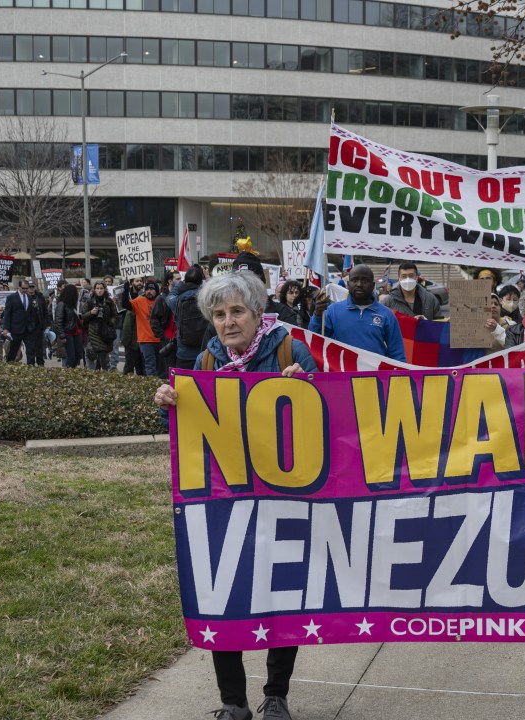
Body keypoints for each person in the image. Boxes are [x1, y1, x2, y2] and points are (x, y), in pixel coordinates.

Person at [153, 271, 316, 720]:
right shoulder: (206, 361)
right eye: (220, 314)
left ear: (258, 313)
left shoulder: (289, 350)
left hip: (286, 499)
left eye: (237, 311)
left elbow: (331, 415)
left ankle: (276, 695)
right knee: (222, 593)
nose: (228, 322)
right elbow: (191, 432)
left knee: (283, 596)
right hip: (225, 503)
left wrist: (308, 386)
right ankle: (233, 702)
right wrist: (170, 403)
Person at [309, 264, 406, 361]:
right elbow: (316, 340)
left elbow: (397, 353)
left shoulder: (387, 314)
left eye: (365, 280)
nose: (359, 284)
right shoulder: (332, 310)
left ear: (373, 285)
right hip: (341, 369)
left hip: (375, 370)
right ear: (348, 284)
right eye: (354, 280)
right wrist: (318, 316)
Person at [166, 264, 207, 371]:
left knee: (184, 381)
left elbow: (169, 297)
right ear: (201, 282)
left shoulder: (177, 300)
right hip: (204, 353)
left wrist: (179, 284)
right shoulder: (207, 299)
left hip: (184, 354)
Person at [126, 279, 161, 377]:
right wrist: (126, 291)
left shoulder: (161, 300)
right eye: (147, 289)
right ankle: (152, 384)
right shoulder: (139, 300)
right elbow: (126, 305)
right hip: (146, 339)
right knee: (150, 365)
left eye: (151, 289)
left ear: (156, 291)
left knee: (161, 366)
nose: (149, 291)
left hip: (160, 339)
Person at [81, 281, 118, 371]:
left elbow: (115, 315)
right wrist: (91, 313)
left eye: (101, 288)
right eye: (97, 288)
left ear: (105, 289)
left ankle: (98, 371)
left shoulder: (109, 301)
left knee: (103, 352)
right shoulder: (90, 301)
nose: (99, 290)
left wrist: (111, 322)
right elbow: (83, 316)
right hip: (94, 330)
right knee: (100, 351)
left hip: (106, 330)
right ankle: (102, 371)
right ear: (94, 289)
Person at [55, 283, 85, 369]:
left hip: (77, 332)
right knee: (71, 355)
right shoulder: (62, 304)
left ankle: (72, 369)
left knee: (78, 354)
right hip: (68, 333)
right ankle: (69, 369)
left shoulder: (74, 305)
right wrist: (62, 335)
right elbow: (58, 321)